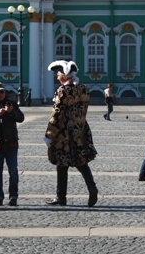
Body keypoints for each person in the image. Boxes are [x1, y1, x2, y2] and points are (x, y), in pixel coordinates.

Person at [45, 60, 98, 207]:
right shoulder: (84, 89)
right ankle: (91, 187)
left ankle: (61, 196)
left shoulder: (63, 91)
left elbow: (57, 114)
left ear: (64, 76)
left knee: (62, 164)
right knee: (81, 162)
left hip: (64, 133)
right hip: (80, 130)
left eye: (58, 74)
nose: (56, 77)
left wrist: (49, 133)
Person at [0, 82, 25, 206]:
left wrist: (12, 112)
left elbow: (21, 118)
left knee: (13, 171)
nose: (0, 95)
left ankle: (13, 196)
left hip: (11, 143)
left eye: (2, 92)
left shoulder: (11, 104)